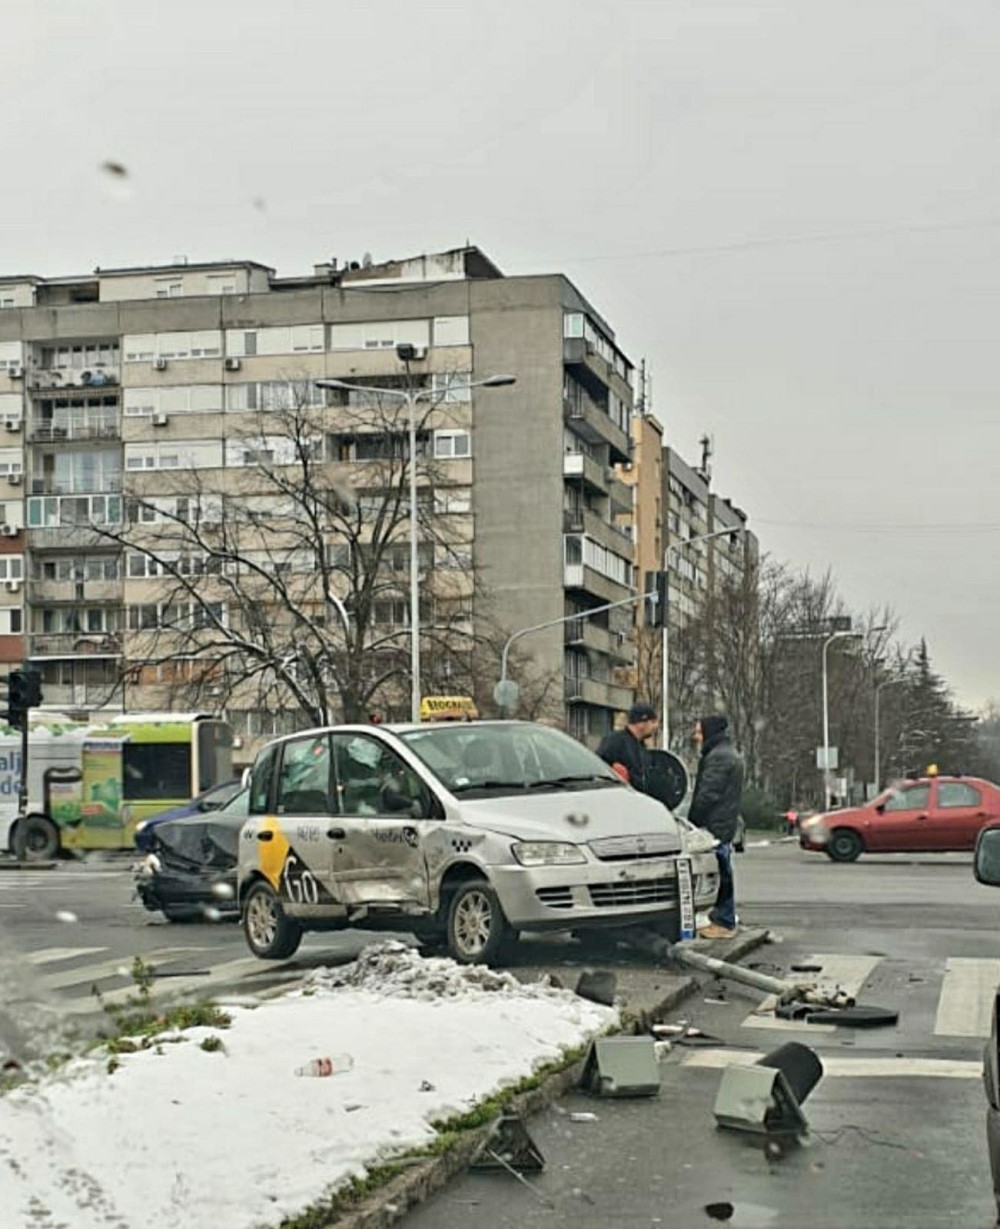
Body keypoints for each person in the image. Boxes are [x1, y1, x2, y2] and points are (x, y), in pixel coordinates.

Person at [688, 714, 745, 940]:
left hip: (715, 825)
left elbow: (707, 793)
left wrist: (693, 820)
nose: (696, 736)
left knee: (721, 873)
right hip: (723, 822)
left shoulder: (718, 757)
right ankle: (724, 917)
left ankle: (724, 921)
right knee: (723, 871)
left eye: (699, 732)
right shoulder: (726, 753)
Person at [596, 702, 660, 795]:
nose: (655, 726)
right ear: (641, 722)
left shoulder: (642, 748)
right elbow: (599, 766)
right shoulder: (615, 740)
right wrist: (615, 774)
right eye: (653, 722)